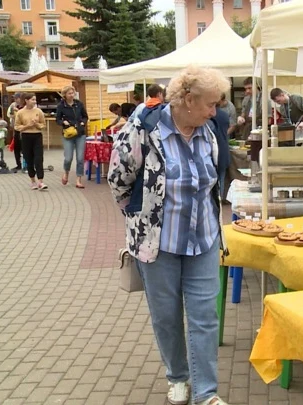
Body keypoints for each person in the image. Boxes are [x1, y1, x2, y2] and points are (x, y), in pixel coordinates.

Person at [107, 65, 231, 405]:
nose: (215, 111)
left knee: (205, 317)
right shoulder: (144, 127)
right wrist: (139, 218)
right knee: (166, 315)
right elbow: (118, 180)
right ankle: (177, 376)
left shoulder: (211, 127)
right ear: (187, 100)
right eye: (210, 104)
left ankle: (206, 392)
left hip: (203, 237)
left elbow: (216, 178)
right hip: (158, 244)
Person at [56, 85, 89, 189]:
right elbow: (57, 119)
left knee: (80, 158)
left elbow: (85, 116)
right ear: (64, 95)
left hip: (80, 133)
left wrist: (83, 123)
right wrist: (63, 122)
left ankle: (79, 180)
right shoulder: (61, 105)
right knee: (68, 158)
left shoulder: (79, 104)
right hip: (68, 134)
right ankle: (66, 173)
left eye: (72, 93)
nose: (71, 95)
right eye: (69, 93)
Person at [15, 93, 48, 191]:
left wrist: (37, 124)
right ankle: (32, 180)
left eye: (35, 100)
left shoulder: (39, 111)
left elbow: (43, 124)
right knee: (29, 159)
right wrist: (27, 126)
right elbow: (17, 126)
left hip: (37, 135)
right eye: (33, 100)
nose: (35, 101)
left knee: (38, 158)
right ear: (26, 100)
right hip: (26, 136)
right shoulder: (20, 112)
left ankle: (41, 181)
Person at [7, 93, 25, 172]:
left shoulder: (25, 106)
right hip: (16, 129)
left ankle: (26, 165)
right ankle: (18, 165)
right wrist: (13, 114)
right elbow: (10, 115)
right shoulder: (13, 105)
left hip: (24, 130)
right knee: (16, 148)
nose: (15, 100)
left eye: (17, 98)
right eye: (15, 98)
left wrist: (18, 112)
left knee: (24, 148)